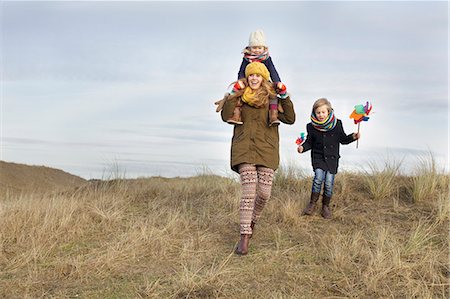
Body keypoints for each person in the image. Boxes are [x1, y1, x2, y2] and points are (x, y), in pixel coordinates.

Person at [221, 62, 295, 255]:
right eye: (251, 75)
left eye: (258, 76)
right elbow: (225, 115)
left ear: (263, 78)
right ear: (247, 78)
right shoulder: (239, 98)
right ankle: (244, 236)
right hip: (244, 149)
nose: (254, 79)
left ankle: (252, 220)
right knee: (248, 193)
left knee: (264, 194)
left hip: (267, 150)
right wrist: (231, 95)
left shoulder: (272, 99)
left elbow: (290, 118)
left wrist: (285, 96)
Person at [297, 98, 360, 219]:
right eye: (318, 112)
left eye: (323, 112)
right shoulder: (311, 126)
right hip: (318, 157)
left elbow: (343, 140)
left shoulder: (337, 124)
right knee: (318, 178)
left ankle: (325, 206)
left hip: (332, 159)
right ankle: (312, 203)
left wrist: (353, 136)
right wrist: (302, 148)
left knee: (329, 183)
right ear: (314, 113)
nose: (321, 115)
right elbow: (309, 142)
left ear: (329, 111)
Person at [215, 29, 288, 126]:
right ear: (249, 48)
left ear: (264, 48)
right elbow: (241, 71)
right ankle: (236, 115)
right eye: (254, 48)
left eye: (259, 48)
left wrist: (278, 82)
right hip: (247, 81)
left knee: (273, 95)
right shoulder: (246, 58)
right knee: (239, 94)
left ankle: (273, 114)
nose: (257, 50)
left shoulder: (266, 59)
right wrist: (240, 82)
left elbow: (273, 71)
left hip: (264, 81)